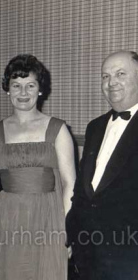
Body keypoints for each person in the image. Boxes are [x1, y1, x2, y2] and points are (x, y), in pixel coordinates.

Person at [0, 54, 76, 279]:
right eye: (16, 86)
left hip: (49, 218)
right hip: (9, 218)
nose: (23, 93)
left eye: (30, 85)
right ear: (8, 90)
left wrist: (66, 232)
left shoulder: (58, 129)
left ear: (40, 89)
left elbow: (70, 183)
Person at [66, 50, 138, 280]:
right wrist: (72, 234)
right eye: (105, 76)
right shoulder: (95, 127)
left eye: (120, 74)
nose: (111, 82)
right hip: (87, 254)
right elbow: (82, 189)